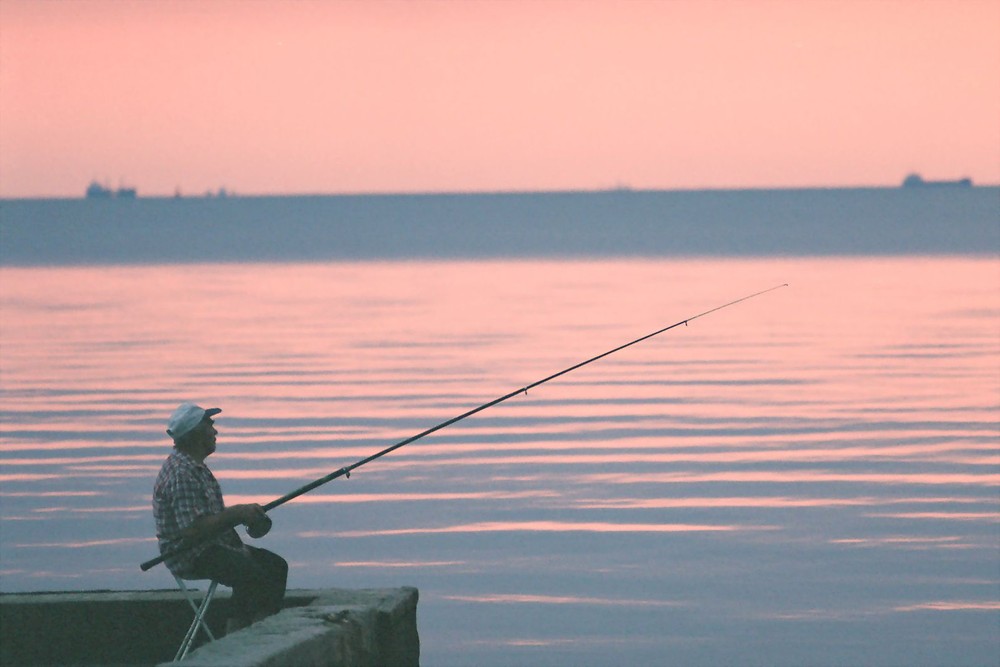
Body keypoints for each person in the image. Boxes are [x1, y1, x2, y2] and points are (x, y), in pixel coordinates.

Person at [153, 402, 287, 633]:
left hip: (213, 546)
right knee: (251, 575)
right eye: (209, 425)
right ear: (195, 433)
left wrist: (246, 517)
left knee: (275, 567)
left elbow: (212, 522)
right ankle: (242, 638)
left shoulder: (194, 467)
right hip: (190, 554)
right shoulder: (182, 474)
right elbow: (192, 531)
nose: (215, 431)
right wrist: (236, 513)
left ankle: (253, 632)